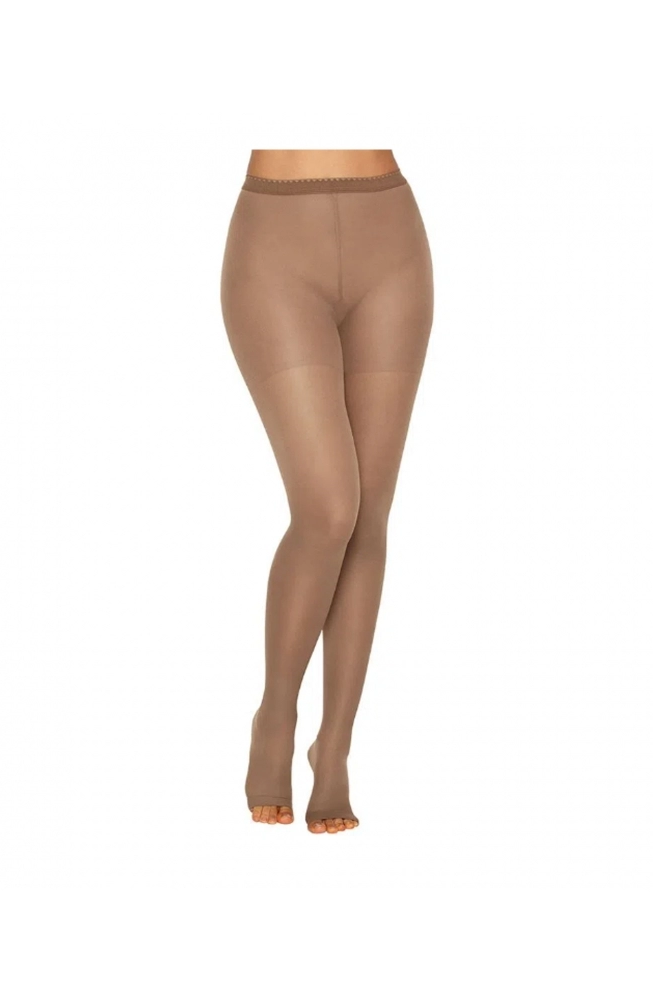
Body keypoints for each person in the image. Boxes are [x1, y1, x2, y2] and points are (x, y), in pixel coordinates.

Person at [220, 150, 434, 833]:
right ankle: (275, 718)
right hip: (275, 244)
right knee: (329, 507)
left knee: (368, 514)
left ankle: (334, 748)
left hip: (392, 236)